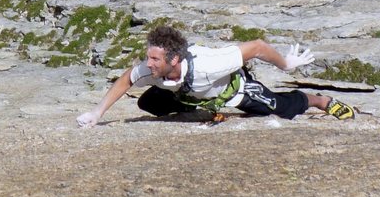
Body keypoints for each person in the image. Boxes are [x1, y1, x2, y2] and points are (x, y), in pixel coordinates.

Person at [76, 25, 354, 128]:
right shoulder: (152, 70)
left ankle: (320, 101)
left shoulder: (209, 64)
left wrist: (285, 65)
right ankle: (199, 109)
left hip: (233, 90)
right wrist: (97, 113)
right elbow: (127, 79)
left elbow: (256, 46)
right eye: (148, 56)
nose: (147, 63)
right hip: (189, 93)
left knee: (278, 109)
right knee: (148, 104)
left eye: (154, 58)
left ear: (174, 59)